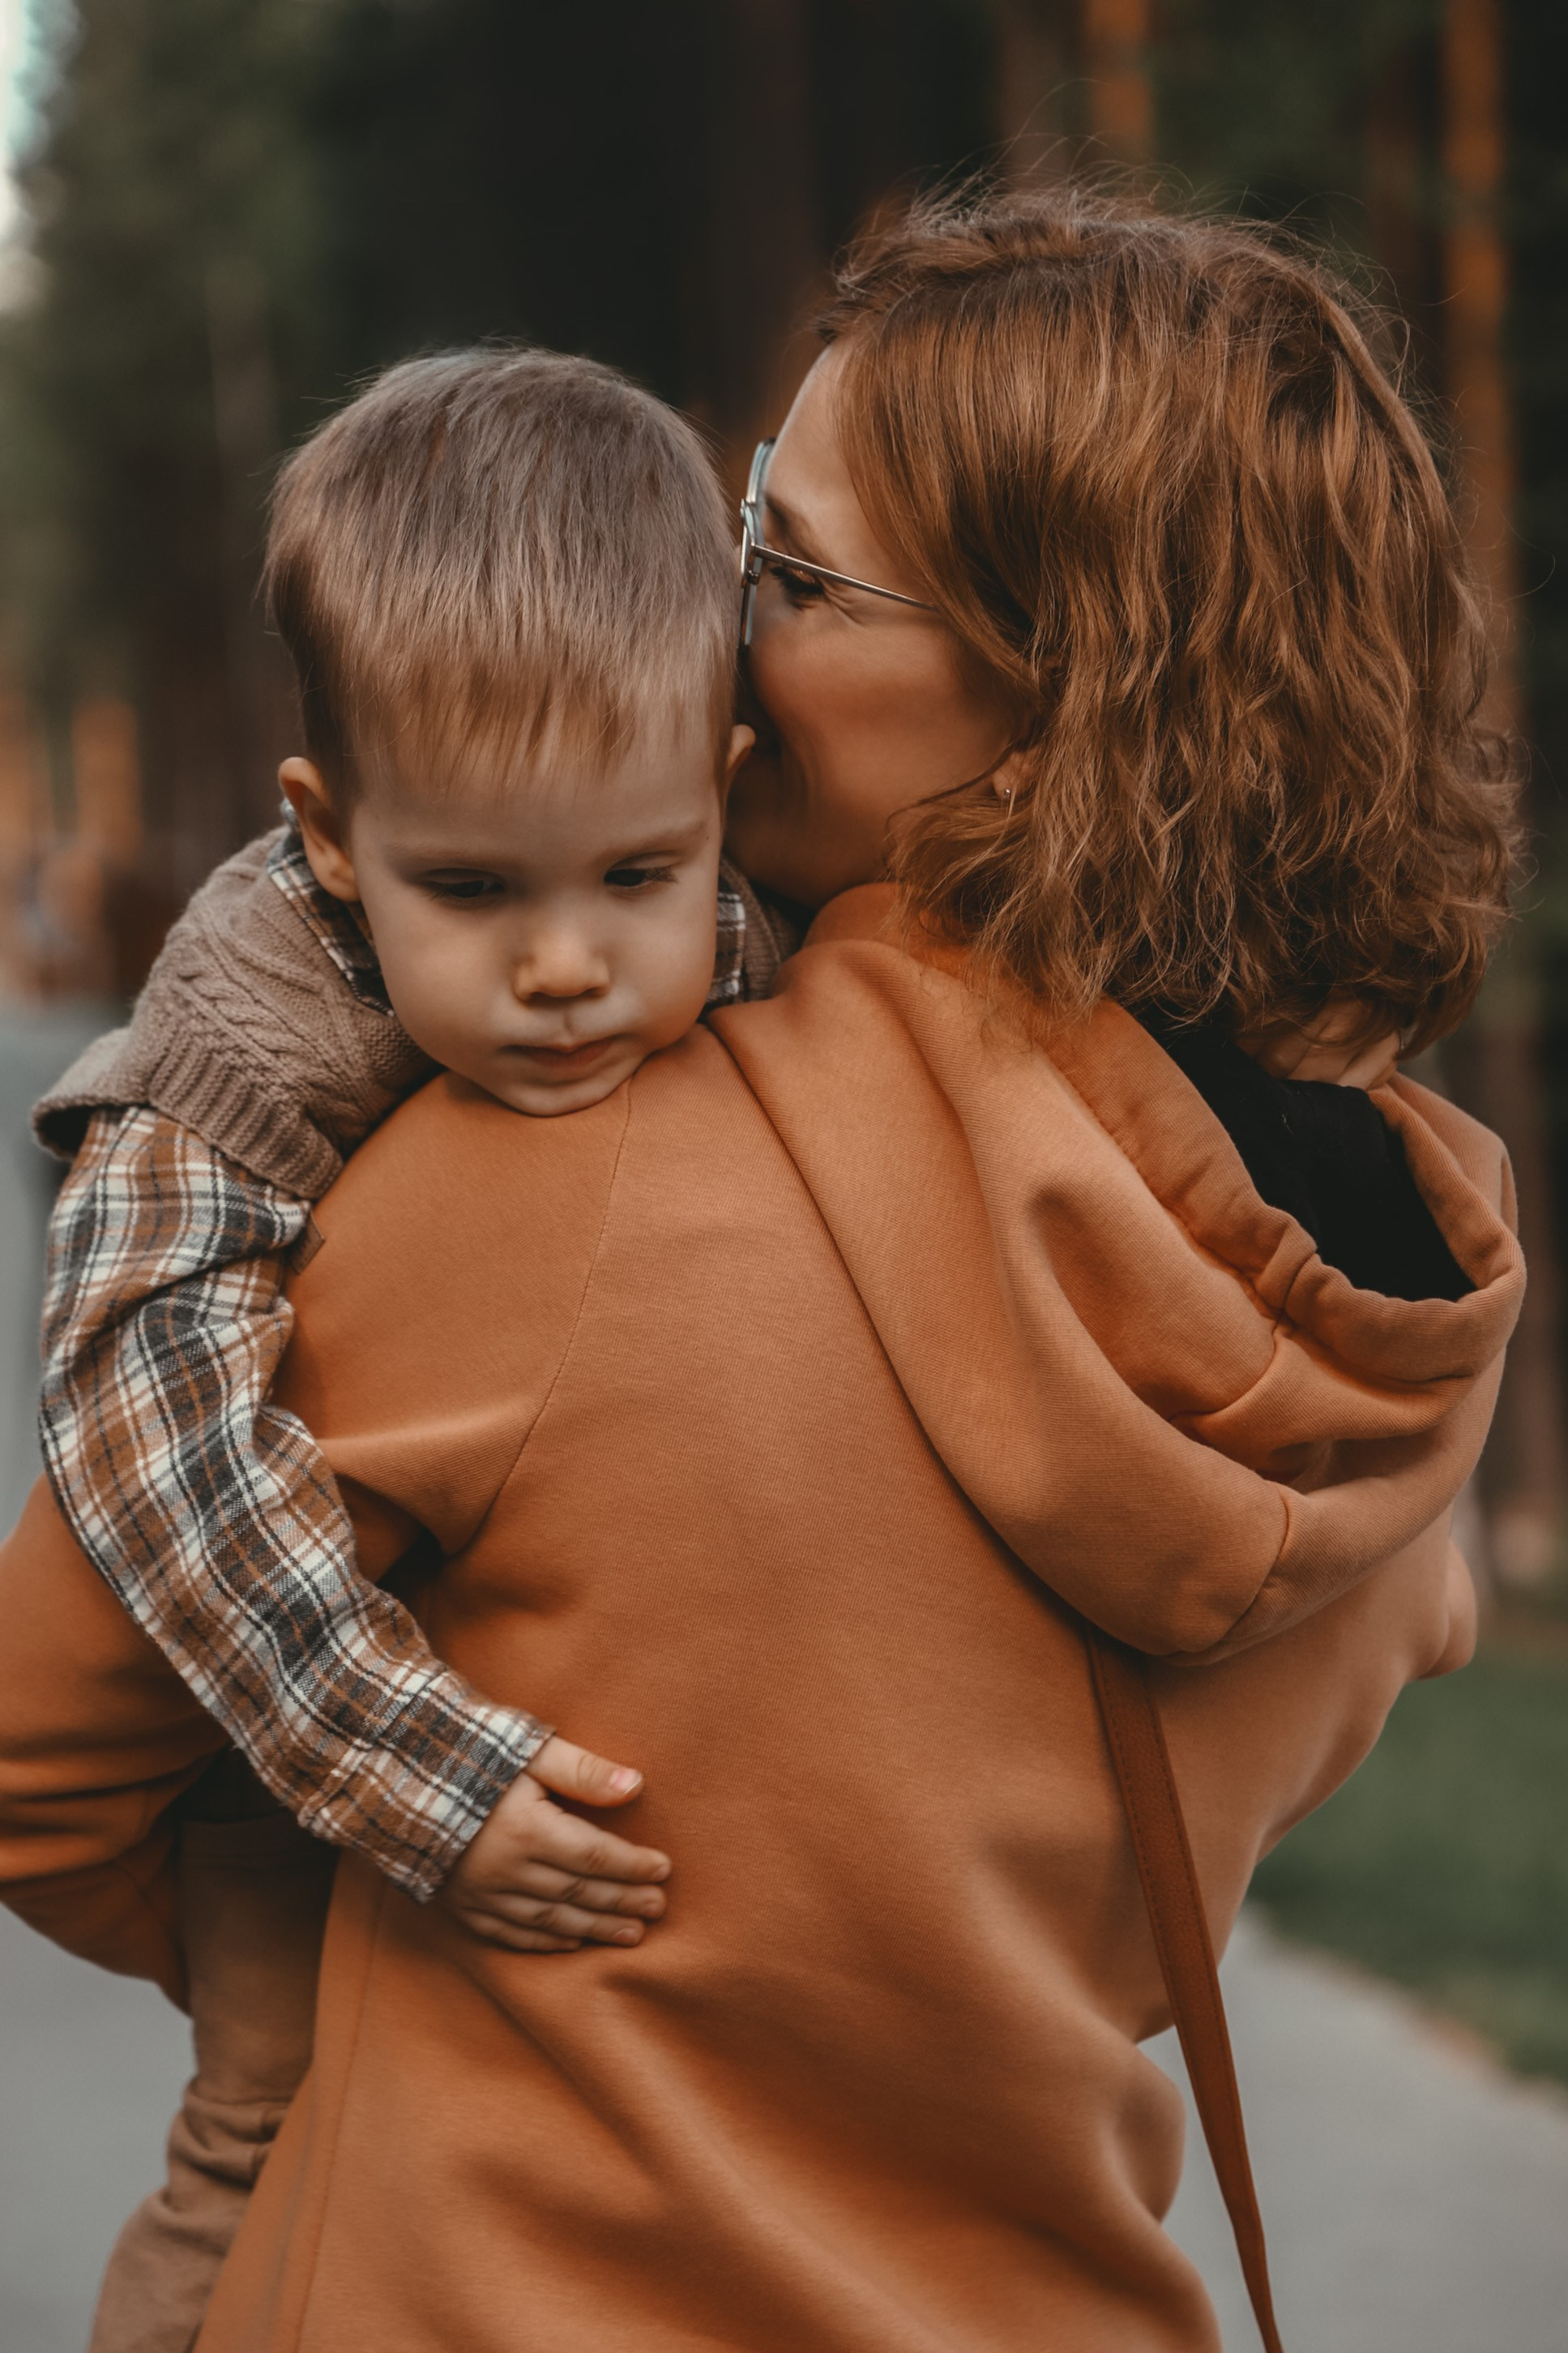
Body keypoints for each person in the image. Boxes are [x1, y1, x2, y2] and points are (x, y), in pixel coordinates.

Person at [0, 187, 1523, 2349]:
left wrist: (320, 1969)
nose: (713, 618)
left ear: (1055, 691)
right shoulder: (1397, 1349)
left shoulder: (552, 1183)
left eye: (790, 572)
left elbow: (39, 1761)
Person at [27, 344, 785, 2352]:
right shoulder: (239, 1044)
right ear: (334, 833)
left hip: (555, 1692)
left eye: (637, 875)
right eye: (472, 891)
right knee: (263, 2142)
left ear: (714, 796)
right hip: (277, 1738)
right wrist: (404, 1774)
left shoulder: (730, 926)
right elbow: (149, 1438)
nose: (561, 968)